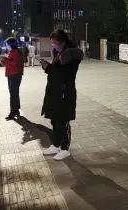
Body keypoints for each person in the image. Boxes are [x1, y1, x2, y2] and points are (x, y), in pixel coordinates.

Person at [40, 30, 84, 161]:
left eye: (54, 42)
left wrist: (48, 68)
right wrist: (47, 67)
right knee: (54, 119)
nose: (53, 45)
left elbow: (63, 75)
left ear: (62, 41)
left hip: (65, 92)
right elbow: (55, 72)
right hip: (54, 91)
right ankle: (56, 144)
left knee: (62, 120)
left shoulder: (70, 55)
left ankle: (65, 149)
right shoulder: (58, 53)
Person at [0, 37, 24, 120]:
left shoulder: (15, 52)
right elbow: (8, 63)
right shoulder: (12, 52)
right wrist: (1, 59)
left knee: (13, 93)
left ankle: (13, 111)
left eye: (7, 44)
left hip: (15, 74)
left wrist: (5, 59)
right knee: (14, 93)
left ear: (11, 44)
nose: (6, 46)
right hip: (12, 74)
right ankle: (16, 110)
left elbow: (15, 63)